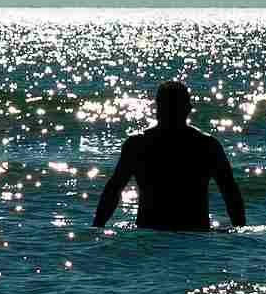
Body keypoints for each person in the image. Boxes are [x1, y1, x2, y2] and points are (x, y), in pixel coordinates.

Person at [93, 81, 247, 231]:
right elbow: (230, 193)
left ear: (157, 109)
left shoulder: (138, 144)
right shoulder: (207, 145)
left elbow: (113, 189)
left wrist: (96, 228)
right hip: (196, 241)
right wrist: (240, 233)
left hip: (149, 238)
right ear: (188, 108)